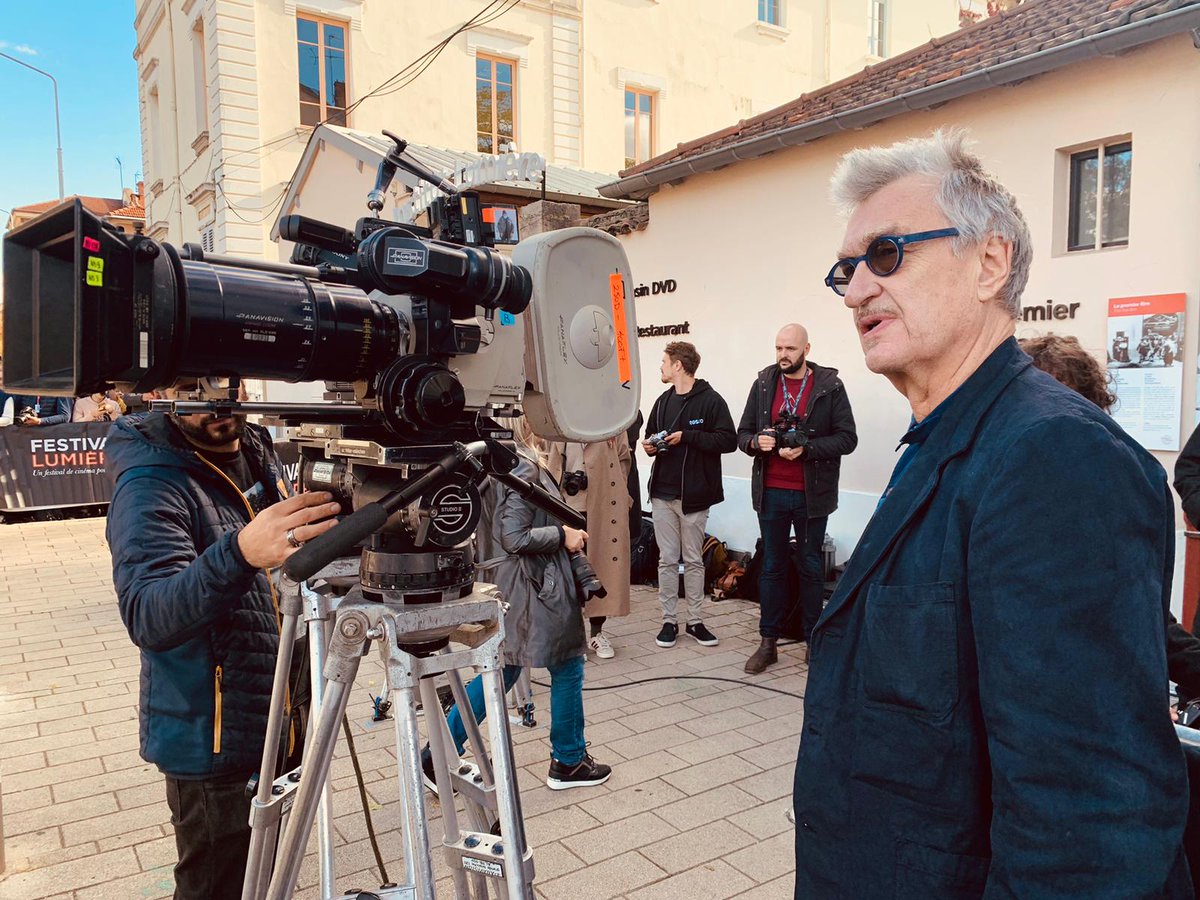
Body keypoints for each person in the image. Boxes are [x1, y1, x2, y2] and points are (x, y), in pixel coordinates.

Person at [795, 130, 1190, 898]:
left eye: (885, 255)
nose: (853, 292)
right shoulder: (949, 435)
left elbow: (1090, 827)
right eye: (845, 271)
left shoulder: (1054, 457)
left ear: (990, 263)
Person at [105, 380, 341, 899]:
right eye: (194, 383)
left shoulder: (258, 449)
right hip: (214, 744)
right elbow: (148, 614)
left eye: (226, 379)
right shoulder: (150, 478)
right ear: (162, 387)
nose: (216, 399)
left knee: (265, 879)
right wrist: (240, 553)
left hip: (283, 719)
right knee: (215, 886)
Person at [426, 415, 612, 790]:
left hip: (510, 582)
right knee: (567, 663)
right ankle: (569, 761)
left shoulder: (488, 462)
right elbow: (515, 536)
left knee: (505, 666)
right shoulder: (521, 464)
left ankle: (437, 755)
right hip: (534, 584)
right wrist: (563, 535)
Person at [736, 323, 857, 673]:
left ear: (806, 348)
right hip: (771, 491)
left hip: (811, 494)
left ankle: (812, 640)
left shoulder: (830, 386)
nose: (782, 355)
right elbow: (742, 433)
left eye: (789, 348)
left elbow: (847, 439)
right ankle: (768, 642)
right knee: (771, 566)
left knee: (809, 565)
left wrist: (806, 449)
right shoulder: (763, 384)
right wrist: (755, 443)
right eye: (778, 348)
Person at [642, 341, 737, 649]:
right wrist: (649, 445)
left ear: (678, 366)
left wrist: (688, 436)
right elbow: (650, 436)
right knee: (667, 560)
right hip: (661, 495)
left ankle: (695, 621)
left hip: (694, 496)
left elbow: (728, 440)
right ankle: (669, 621)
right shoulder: (662, 401)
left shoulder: (711, 401)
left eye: (664, 361)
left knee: (694, 560)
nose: (661, 367)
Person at [548, 437, 632, 659]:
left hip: (604, 503)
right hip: (568, 504)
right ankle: (574, 637)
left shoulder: (611, 421)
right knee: (569, 571)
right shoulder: (563, 419)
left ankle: (597, 632)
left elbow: (624, 458)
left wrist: (619, 489)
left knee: (600, 568)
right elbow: (552, 461)